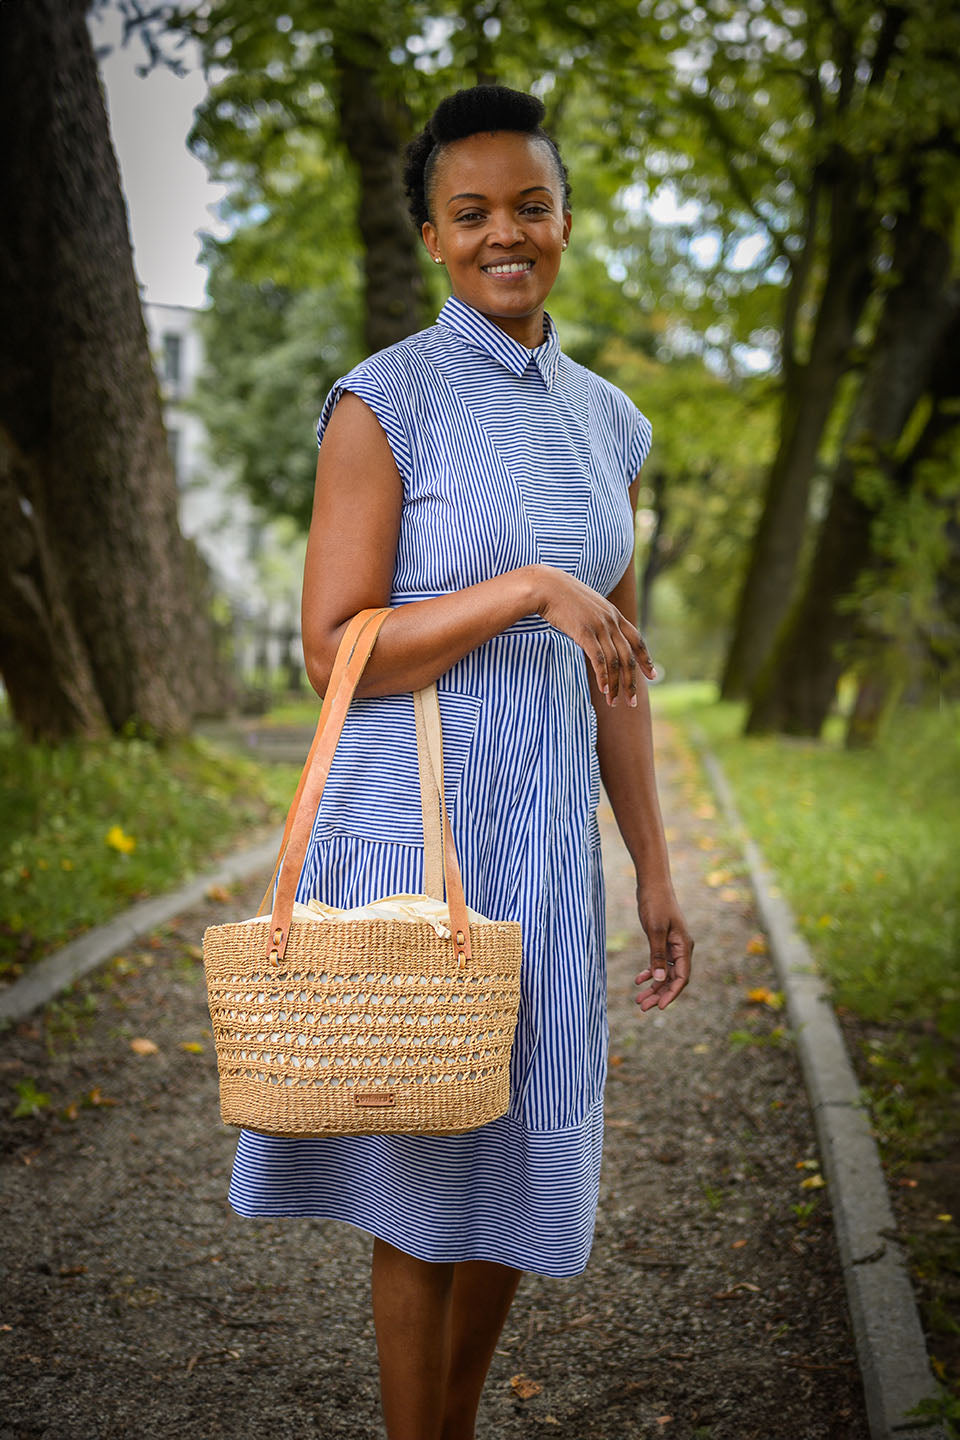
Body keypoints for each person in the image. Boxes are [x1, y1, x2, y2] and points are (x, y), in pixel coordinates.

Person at [227, 83, 694, 1440]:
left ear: (563, 221)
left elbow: (616, 668)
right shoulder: (385, 401)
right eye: (473, 211)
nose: (507, 233)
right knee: (433, 1181)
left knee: (523, 1174)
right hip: (421, 833)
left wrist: (653, 871)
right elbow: (335, 649)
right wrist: (528, 587)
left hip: (547, 848)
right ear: (433, 235)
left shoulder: (614, 424)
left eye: (530, 207)